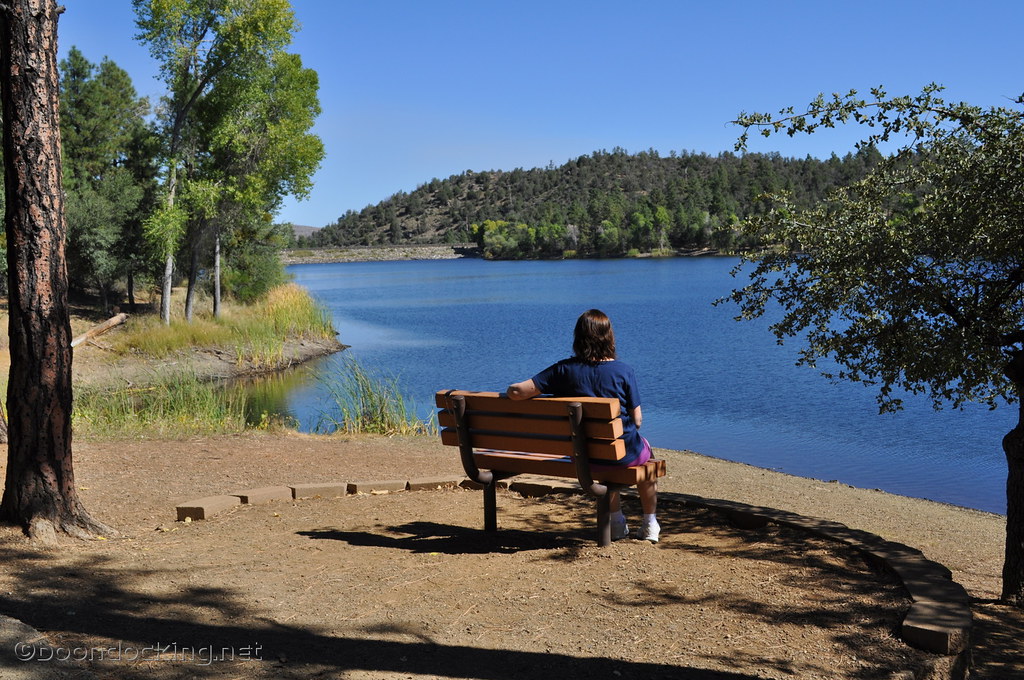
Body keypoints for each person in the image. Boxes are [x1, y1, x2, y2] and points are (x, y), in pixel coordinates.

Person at [507, 309, 660, 542]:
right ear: (609, 337)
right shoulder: (623, 371)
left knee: (601, 453)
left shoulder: (562, 370)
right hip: (621, 453)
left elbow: (518, 392)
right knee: (646, 458)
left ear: (578, 337)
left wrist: (510, 389)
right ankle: (649, 523)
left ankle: (617, 522)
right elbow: (637, 420)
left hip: (584, 456)